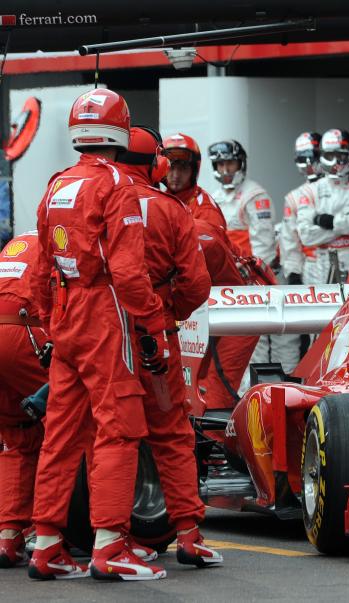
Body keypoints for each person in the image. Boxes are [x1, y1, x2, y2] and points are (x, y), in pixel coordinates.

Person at [29, 88, 168, 580]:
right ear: (121, 129)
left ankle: (45, 544)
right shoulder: (116, 186)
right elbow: (130, 274)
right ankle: (110, 545)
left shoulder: (56, 184)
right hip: (104, 312)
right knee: (120, 426)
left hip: (65, 311)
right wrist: (153, 322)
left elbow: (43, 265)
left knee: (61, 433)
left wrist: (50, 321)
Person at [115, 126, 222, 566]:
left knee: (105, 435)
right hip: (155, 336)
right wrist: (166, 311)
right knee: (172, 433)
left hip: (102, 335)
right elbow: (197, 285)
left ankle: (91, 539)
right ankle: (189, 535)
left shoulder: (86, 196)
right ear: (156, 165)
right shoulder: (172, 210)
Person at [0, 232, 48, 568]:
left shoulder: (16, 243)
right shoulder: (62, 242)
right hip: (24, 334)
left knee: (17, 437)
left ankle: (8, 537)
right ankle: (51, 533)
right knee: (70, 427)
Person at [295, 128, 349, 285]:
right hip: (321, 267)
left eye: (340, 155)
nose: (335, 162)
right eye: (329, 156)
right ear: (322, 156)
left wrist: (330, 222)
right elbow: (306, 236)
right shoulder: (309, 190)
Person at [194, 219, 262, 409]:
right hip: (206, 306)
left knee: (217, 384)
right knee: (193, 378)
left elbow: (232, 292)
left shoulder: (204, 241)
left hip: (243, 306)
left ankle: (213, 437)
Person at [208, 139, 275, 264]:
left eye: (230, 163)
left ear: (241, 163)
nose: (225, 170)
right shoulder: (214, 197)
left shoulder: (255, 195)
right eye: (221, 164)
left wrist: (257, 270)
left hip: (249, 269)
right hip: (224, 268)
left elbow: (264, 242)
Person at [281, 131, 324, 286]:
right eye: (303, 158)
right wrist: (294, 274)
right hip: (311, 267)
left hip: (346, 261)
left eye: (313, 157)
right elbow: (290, 241)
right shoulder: (294, 197)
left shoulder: (345, 188)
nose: (309, 164)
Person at [161, 133, 226, 230]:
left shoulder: (206, 209)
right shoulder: (159, 200)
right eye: (171, 167)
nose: (176, 175)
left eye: (183, 168)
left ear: (193, 171)